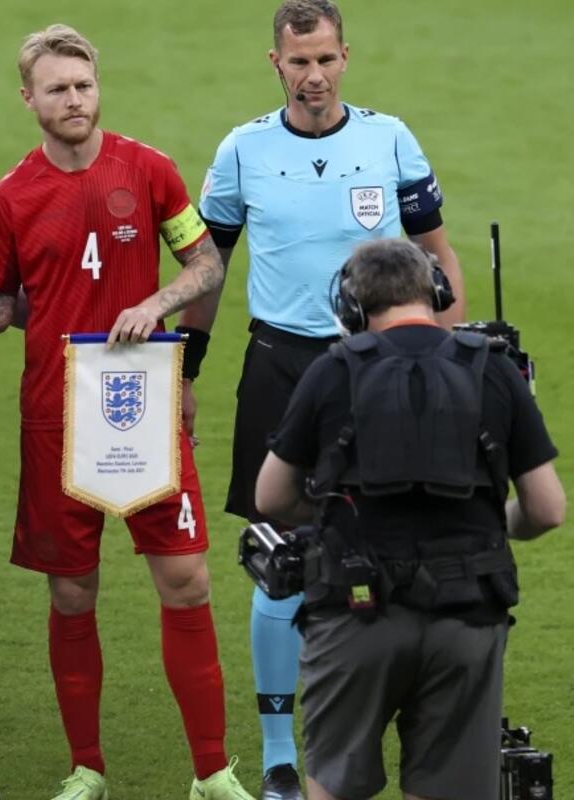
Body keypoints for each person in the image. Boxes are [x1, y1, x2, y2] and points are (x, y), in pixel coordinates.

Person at [188, 2, 467, 795]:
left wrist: (449, 363)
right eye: (298, 61)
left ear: (346, 56)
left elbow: (439, 261)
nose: (313, 76)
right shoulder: (242, 150)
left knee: (394, 540)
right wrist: (186, 373)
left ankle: (385, 732)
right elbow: (208, 269)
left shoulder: (390, 139)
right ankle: (280, 757)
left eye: (325, 59)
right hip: (280, 364)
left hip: (379, 364)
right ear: (274, 62)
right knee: (280, 554)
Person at [0, 24, 254, 800]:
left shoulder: (150, 170)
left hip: (143, 405)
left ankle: (212, 772)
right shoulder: (11, 197)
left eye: (84, 85)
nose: (74, 99)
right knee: (72, 594)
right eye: (57, 89)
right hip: (56, 416)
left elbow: (206, 262)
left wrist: (155, 304)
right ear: (28, 98)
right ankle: (88, 768)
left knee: (187, 580)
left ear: (98, 88)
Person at [254, 238, 564, 800]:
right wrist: (495, 520)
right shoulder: (494, 369)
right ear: (435, 292)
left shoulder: (332, 370)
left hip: (355, 612)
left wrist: (333, 510)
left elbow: (271, 496)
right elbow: (547, 508)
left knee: (334, 786)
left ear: (352, 307)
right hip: (467, 615)